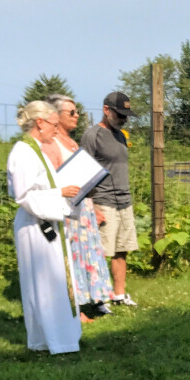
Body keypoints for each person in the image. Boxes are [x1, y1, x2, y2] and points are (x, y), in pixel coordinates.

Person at [7, 101, 83, 354]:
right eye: (53, 124)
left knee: (57, 280)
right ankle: (51, 339)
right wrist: (59, 192)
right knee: (44, 282)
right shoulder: (23, 151)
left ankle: (60, 338)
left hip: (47, 221)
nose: (56, 129)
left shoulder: (37, 150)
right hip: (35, 224)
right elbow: (25, 194)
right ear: (40, 123)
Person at [46, 94, 115, 322]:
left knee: (88, 254)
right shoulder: (52, 144)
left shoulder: (72, 142)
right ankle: (74, 307)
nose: (76, 116)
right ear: (56, 115)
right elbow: (53, 178)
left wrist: (92, 205)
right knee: (73, 256)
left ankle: (90, 300)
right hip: (68, 207)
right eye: (71, 113)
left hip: (83, 206)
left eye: (77, 112)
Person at [81, 92, 139, 307]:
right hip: (102, 201)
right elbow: (82, 173)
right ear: (106, 110)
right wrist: (90, 205)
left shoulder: (121, 135)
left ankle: (119, 295)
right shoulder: (92, 135)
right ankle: (97, 297)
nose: (124, 119)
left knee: (121, 249)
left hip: (124, 200)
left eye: (126, 115)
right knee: (101, 252)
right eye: (119, 114)